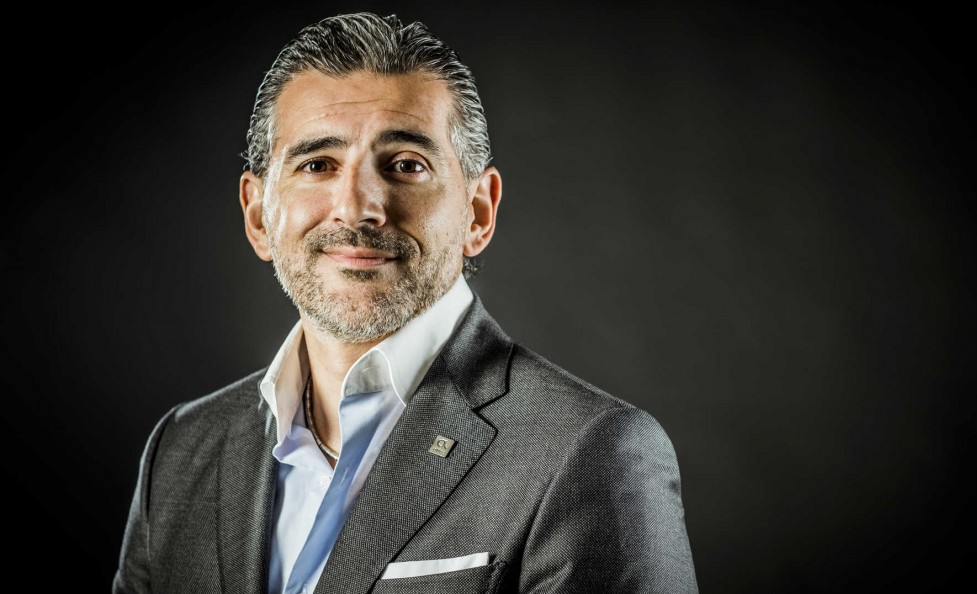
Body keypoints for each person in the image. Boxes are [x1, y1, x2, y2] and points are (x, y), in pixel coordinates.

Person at [114, 11, 698, 594]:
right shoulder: (182, 449)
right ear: (257, 216)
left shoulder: (591, 452)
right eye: (317, 165)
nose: (357, 207)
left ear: (478, 212)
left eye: (405, 165)